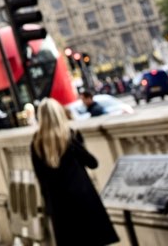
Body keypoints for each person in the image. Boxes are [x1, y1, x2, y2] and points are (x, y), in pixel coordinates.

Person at [31, 98, 118, 246]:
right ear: (59, 114)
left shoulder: (36, 143)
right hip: (82, 198)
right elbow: (92, 163)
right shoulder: (70, 136)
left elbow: (40, 177)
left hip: (58, 204)